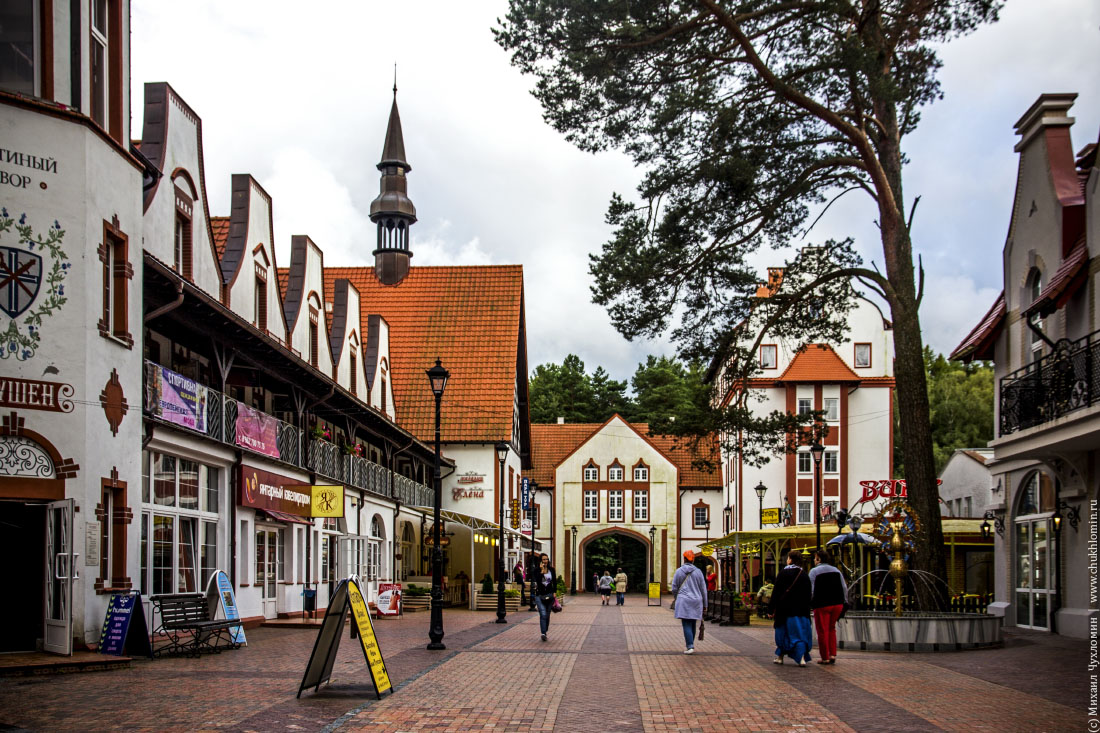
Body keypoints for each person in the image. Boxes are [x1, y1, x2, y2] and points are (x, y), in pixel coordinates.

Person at [769, 550, 813, 667]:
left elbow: (776, 592)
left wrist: (771, 609)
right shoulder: (804, 574)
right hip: (800, 610)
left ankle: (780, 657)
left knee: (783, 634)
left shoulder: (783, 573)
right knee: (799, 634)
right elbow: (809, 594)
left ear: (790, 559)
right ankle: (802, 657)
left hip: (784, 610)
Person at [809, 549, 848, 665]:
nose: (814, 560)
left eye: (815, 558)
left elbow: (811, 589)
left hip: (822, 604)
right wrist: (844, 601)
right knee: (832, 628)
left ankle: (825, 656)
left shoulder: (814, 571)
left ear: (818, 559)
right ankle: (832, 654)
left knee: (822, 630)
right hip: (837, 604)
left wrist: (810, 602)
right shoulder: (836, 570)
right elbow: (844, 587)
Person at [670, 550, 707, 654]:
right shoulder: (698, 572)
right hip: (696, 600)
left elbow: (674, 587)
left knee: (686, 623)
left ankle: (690, 646)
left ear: (684, 558)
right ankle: (691, 644)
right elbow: (703, 589)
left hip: (684, 600)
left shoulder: (679, 571)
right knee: (693, 622)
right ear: (693, 559)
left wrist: (677, 597)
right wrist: (705, 604)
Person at [530, 553, 557, 642]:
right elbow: (537, 580)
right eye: (543, 559)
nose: (545, 561)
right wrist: (541, 570)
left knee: (548, 615)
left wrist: (555, 592)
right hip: (539, 595)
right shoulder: (536, 570)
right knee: (543, 614)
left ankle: (545, 631)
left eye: (546, 559)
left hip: (549, 594)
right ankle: (543, 633)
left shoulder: (551, 570)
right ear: (540, 561)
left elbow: (554, 582)